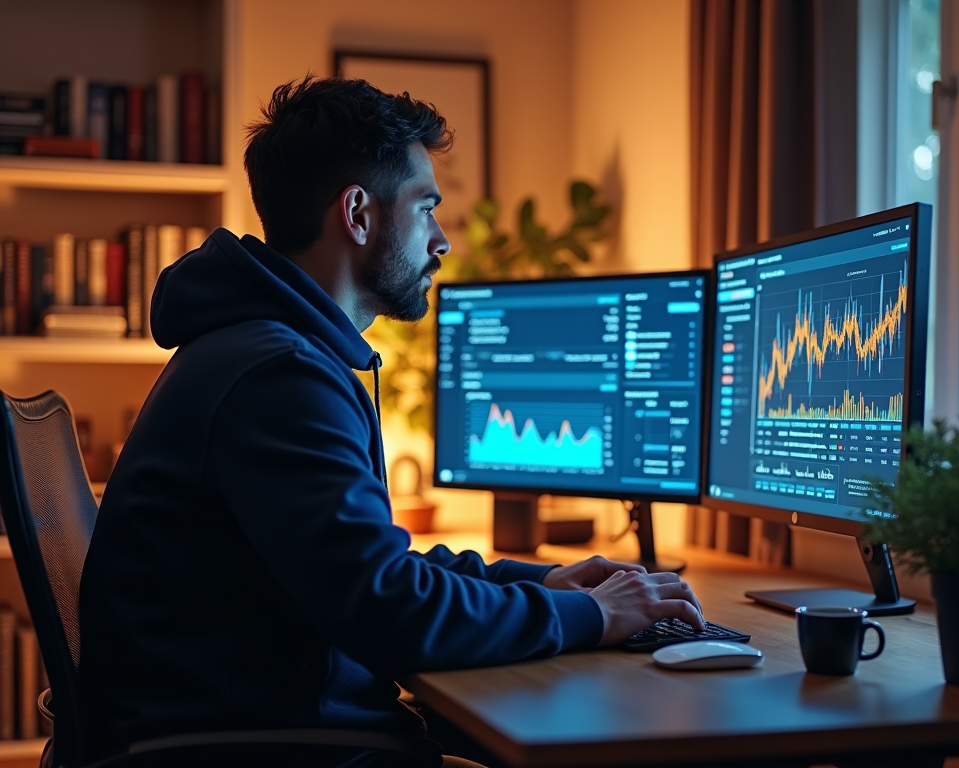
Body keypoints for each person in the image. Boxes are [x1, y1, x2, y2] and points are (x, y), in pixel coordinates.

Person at [77, 75, 704, 768]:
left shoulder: (264, 351)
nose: (442, 241)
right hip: (267, 749)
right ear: (357, 213)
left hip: (261, 727)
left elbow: (371, 569)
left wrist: (539, 584)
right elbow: (387, 607)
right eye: (426, 207)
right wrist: (593, 615)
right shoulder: (278, 377)